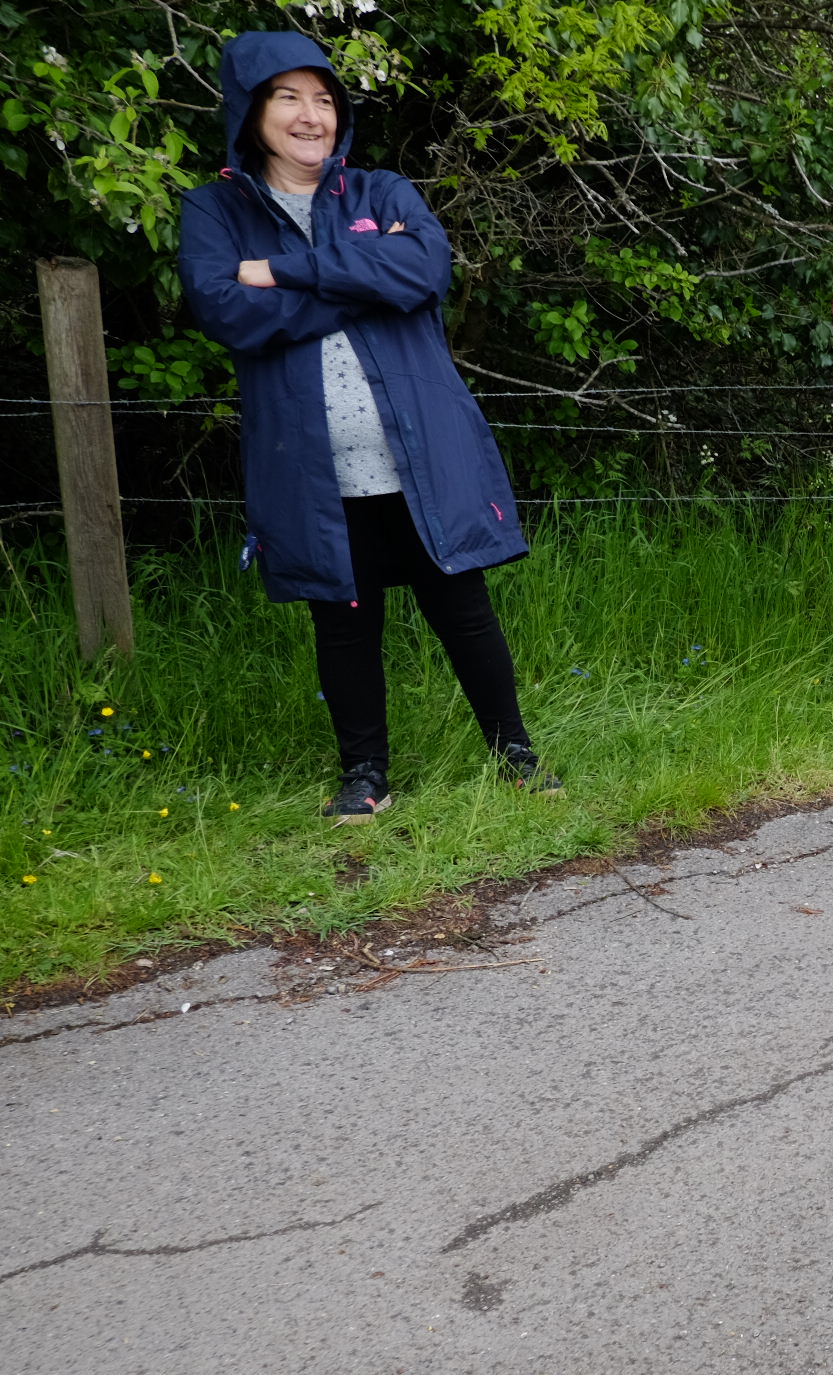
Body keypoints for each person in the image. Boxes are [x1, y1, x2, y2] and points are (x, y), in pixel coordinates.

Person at [178, 32, 556, 824]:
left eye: (323, 99)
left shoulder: (380, 191)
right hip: (314, 472)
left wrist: (284, 271)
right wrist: (365, 283)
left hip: (418, 457)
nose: (310, 115)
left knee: (463, 610)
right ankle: (364, 775)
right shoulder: (215, 210)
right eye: (288, 97)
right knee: (344, 623)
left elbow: (425, 271)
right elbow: (225, 311)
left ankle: (516, 755)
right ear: (251, 112)